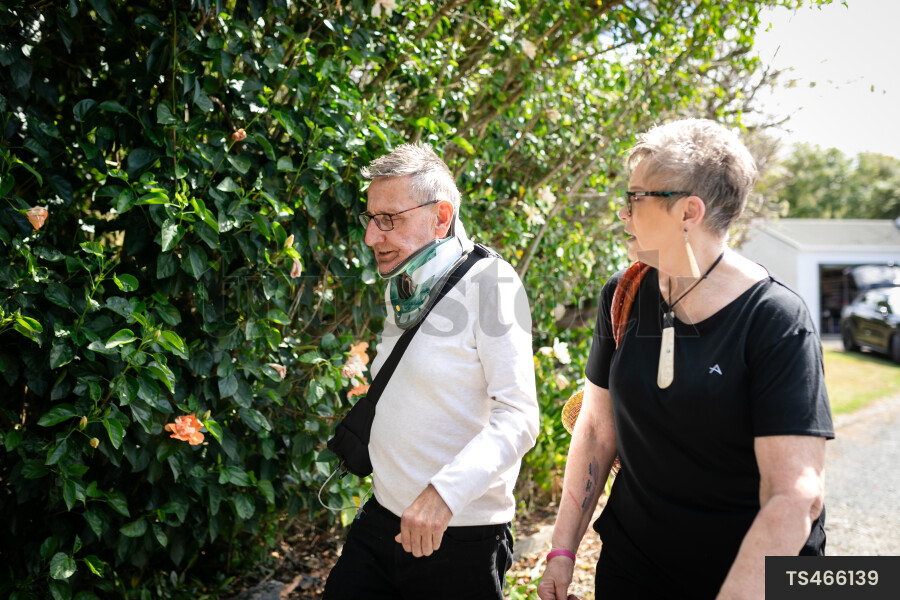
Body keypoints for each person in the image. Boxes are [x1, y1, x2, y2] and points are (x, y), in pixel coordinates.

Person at [538, 118, 834, 600]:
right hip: (635, 569)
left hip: (747, 578)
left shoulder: (775, 320)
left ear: (688, 212)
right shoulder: (626, 293)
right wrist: (562, 553)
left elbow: (795, 495)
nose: (623, 213)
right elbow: (594, 430)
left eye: (636, 198)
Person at [323, 142, 539, 599]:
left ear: (441, 217)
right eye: (371, 218)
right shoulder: (404, 284)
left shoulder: (493, 285)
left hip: (457, 534)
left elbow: (520, 418)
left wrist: (442, 495)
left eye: (390, 219)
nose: (371, 237)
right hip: (383, 519)